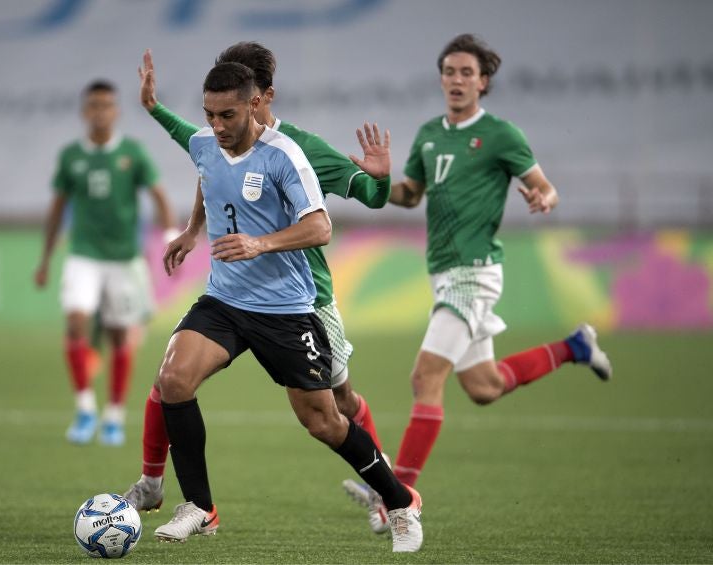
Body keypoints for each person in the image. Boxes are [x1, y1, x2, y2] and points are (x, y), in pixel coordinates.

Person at [135, 61, 423, 552]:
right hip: (224, 299)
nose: (217, 126)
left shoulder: (286, 156)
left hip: (285, 310)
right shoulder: (207, 143)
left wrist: (259, 244)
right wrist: (192, 229)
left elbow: (320, 228)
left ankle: (399, 504)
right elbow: (207, 170)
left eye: (227, 115)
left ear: (254, 104)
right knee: (173, 379)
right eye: (209, 115)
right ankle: (199, 507)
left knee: (325, 421)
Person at [343, 33, 614, 528]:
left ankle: (397, 498)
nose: (456, 80)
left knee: (425, 378)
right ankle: (574, 347)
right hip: (444, 275)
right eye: (449, 72)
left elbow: (543, 186)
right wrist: (377, 181)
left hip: (475, 273)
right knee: (484, 387)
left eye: (467, 73)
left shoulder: (501, 135)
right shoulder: (428, 134)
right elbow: (410, 195)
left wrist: (544, 200)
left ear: (483, 82)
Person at [34, 80, 176, 446]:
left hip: (124, 259)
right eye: (94, 105)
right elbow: (57, 208)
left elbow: (159, 195)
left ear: (116, 111)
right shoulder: (71, 157)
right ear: (85, 111)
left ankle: (113, 415)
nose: (100, 112)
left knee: (117, 335)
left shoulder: (132, 153)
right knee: (76, 321)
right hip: (83, 254)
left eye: (107, 105)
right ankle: (84, 408)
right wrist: (46, 258)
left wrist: (172, 236)